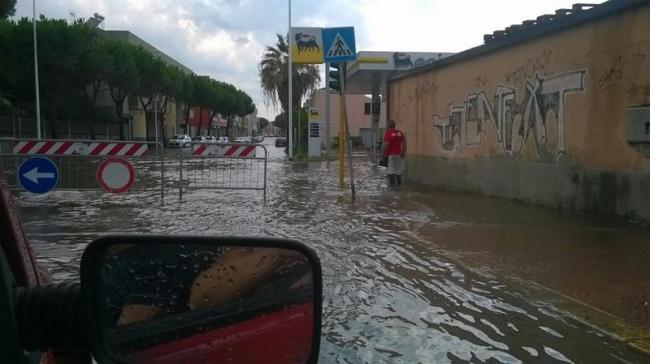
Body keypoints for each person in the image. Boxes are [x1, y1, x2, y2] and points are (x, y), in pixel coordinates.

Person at [382, 120, 406, 187]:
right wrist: (403, 153)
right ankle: (399, 185)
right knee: (398, 171)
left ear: (388, 126)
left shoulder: (388, 133)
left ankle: (392, 188)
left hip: (391, 155)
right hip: (399, 155)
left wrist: (384, 154)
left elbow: (386, 144)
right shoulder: (400, 133)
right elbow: (404, 143)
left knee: (390, 171)